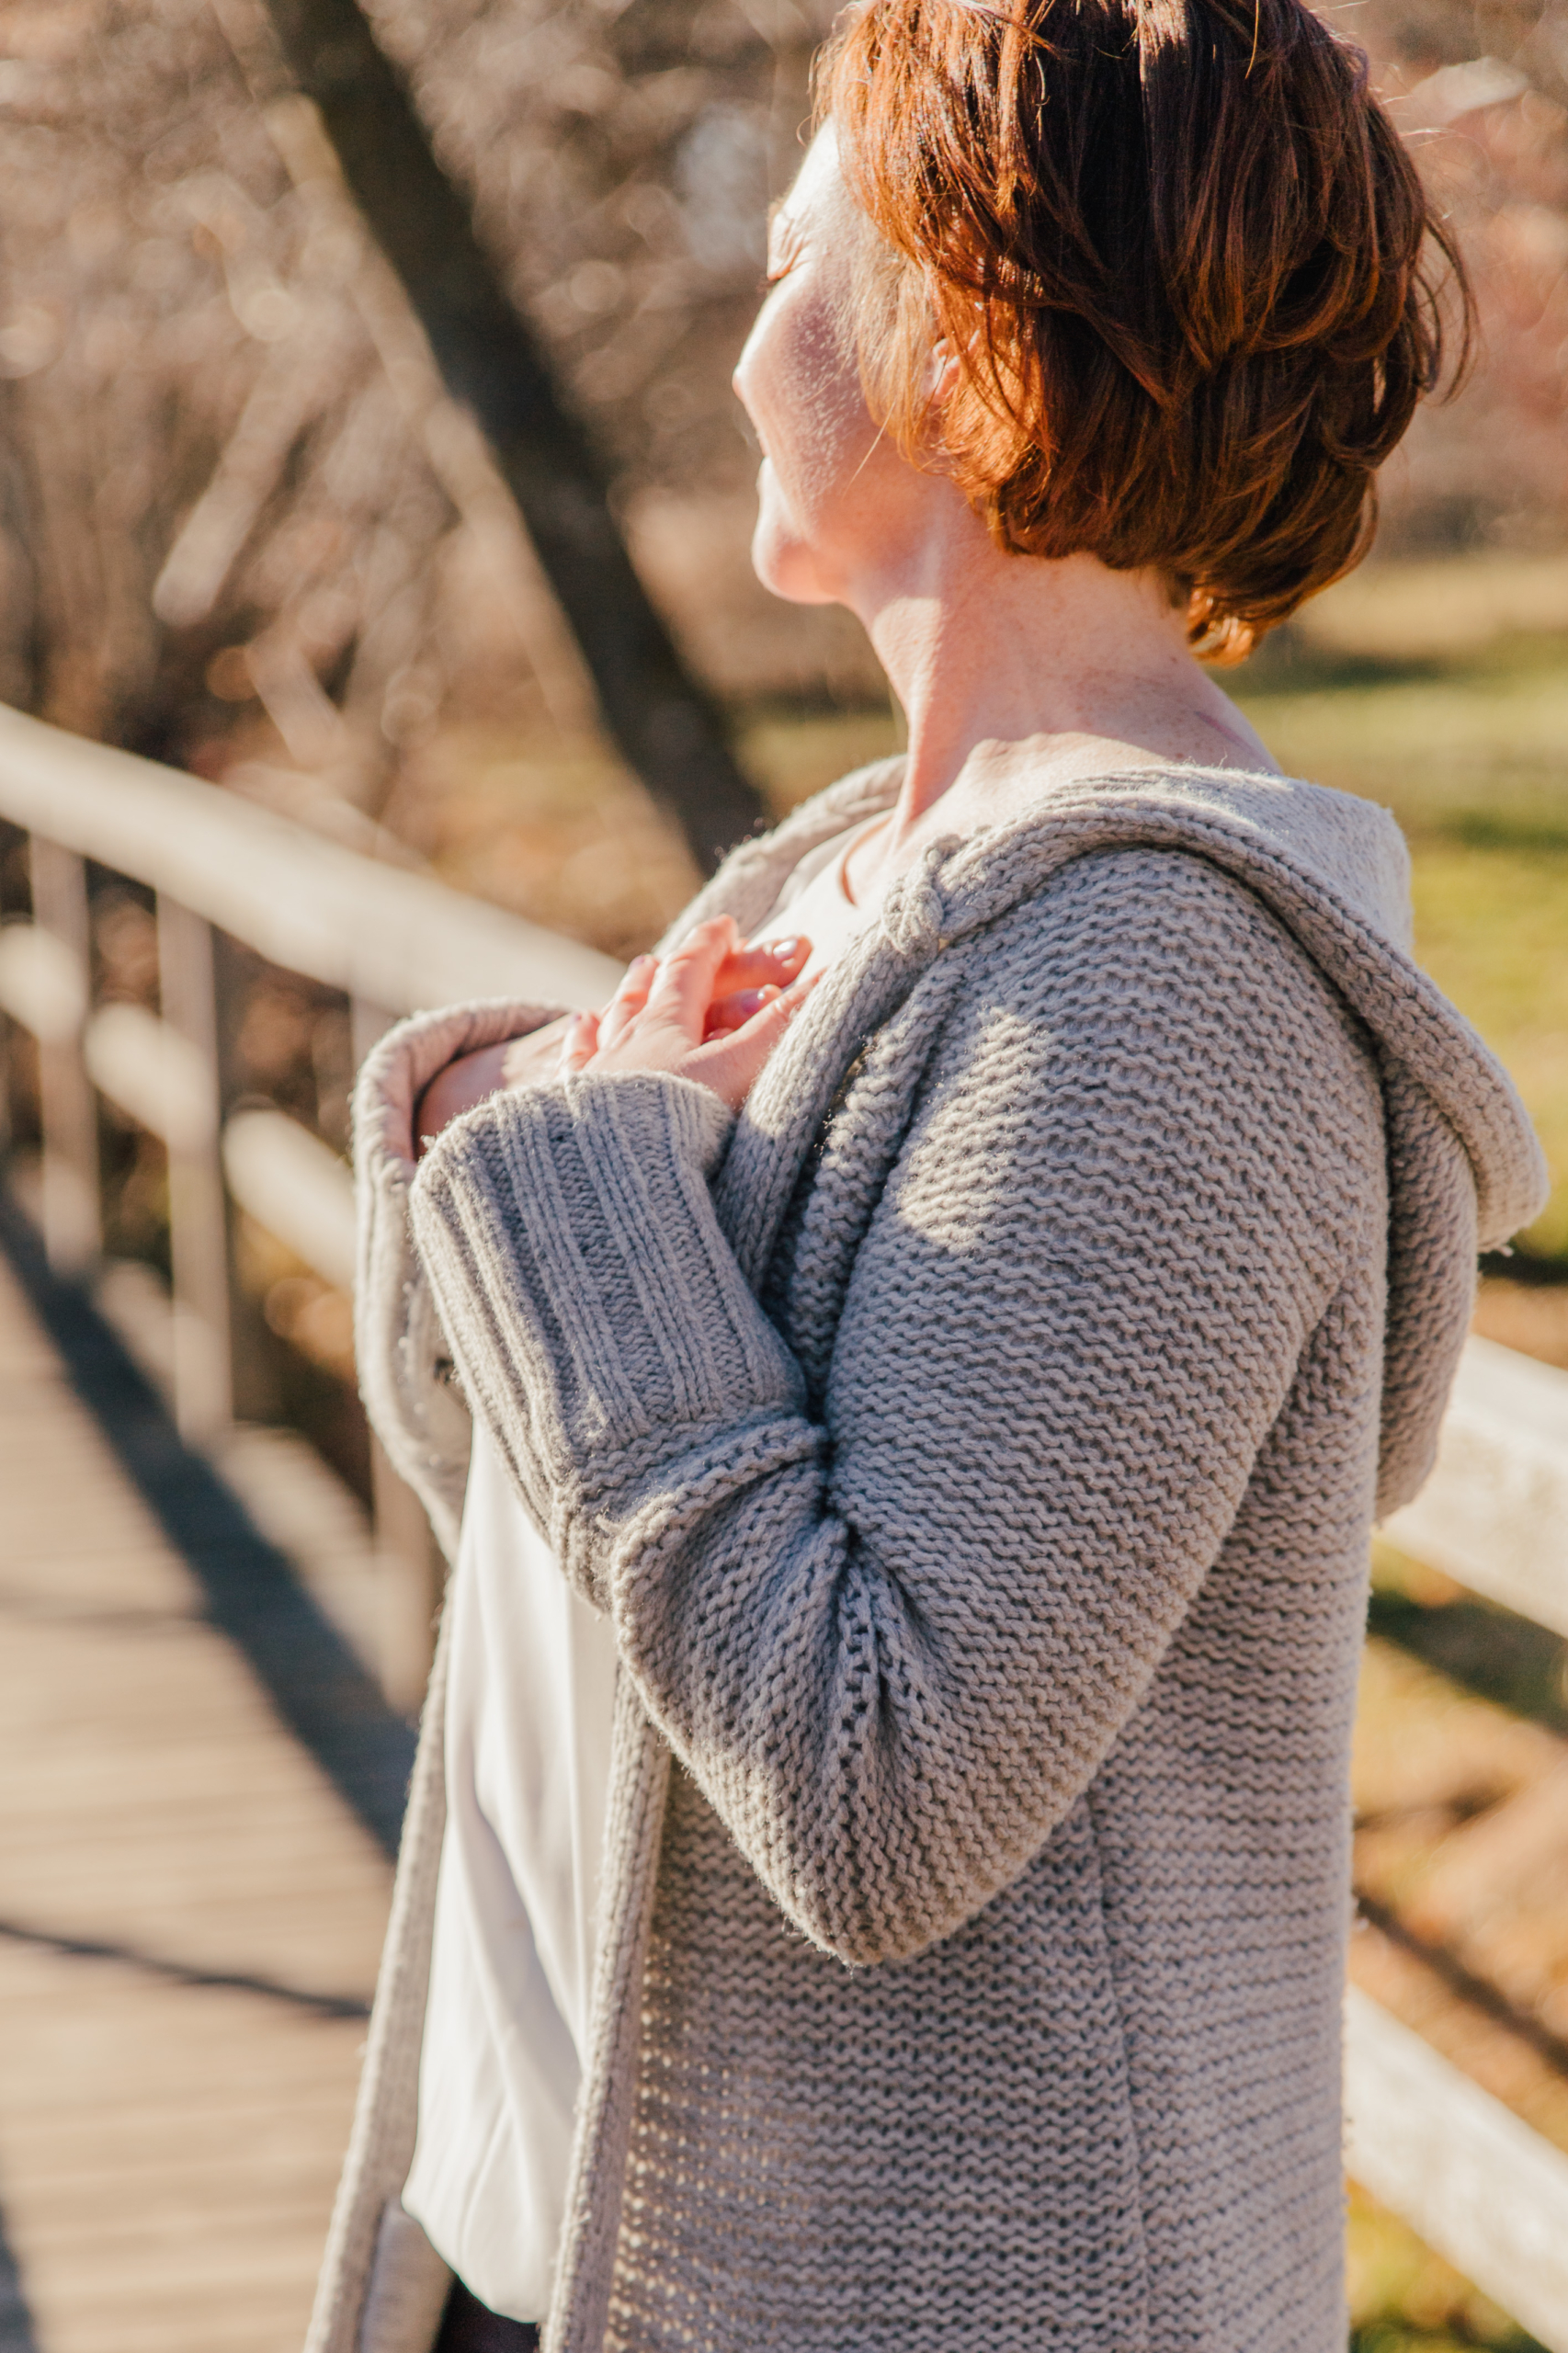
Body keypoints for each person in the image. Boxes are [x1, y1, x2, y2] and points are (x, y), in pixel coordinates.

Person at [308, 0, 1547, 2347]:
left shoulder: (1161, 983)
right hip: (549, 2236)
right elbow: (538, 1514)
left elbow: (875, 1790)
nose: (747, 340)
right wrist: (512, 1152)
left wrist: (565, 1191)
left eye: (801, 260)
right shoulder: (835, 876)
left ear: (973, 332)